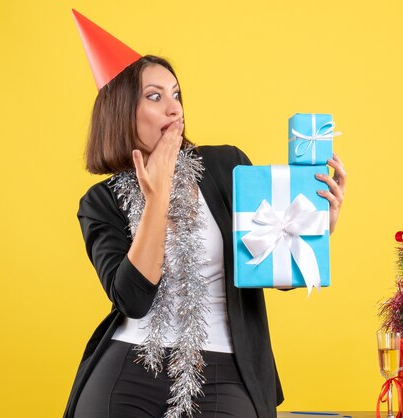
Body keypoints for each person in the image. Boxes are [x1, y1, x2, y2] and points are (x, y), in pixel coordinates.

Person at [65, 10, 346, 418]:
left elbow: (275, 270)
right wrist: (157, 196)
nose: (174, 109)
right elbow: (132, 299)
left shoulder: (226, 167)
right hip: (127, 369)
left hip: (223, 368)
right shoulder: (100, 202)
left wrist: (318, 228)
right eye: (155, 96)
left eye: (176, 94)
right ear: (122, 111)